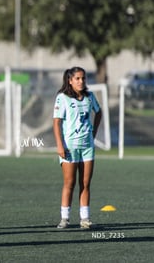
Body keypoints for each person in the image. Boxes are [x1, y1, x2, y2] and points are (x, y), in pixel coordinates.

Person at [53, 66, 102, 229]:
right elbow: (56, 122)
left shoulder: (89, 96)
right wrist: (60, 145)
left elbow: (99, 112)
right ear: (70, 80)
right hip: (69, 147)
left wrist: (93, 133)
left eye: (83, 78)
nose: (81, 81)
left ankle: (85, 219)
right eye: (78, 79)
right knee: (69, 183)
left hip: (87, 147)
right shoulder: (62, 98)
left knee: (85, 183)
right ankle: (65, 219)